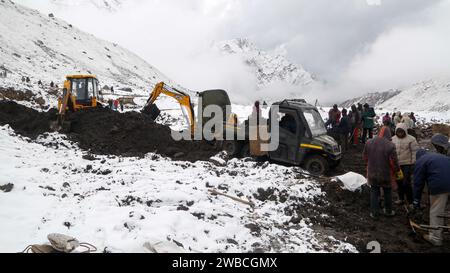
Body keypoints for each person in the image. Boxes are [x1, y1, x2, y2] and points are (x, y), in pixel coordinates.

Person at [413, 149, 450, 246]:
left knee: (436, 211)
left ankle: (435, 238)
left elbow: (418, 183)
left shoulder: (420, 161)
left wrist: (416, 200)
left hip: (440, 186)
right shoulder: (442, 157)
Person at [364, 126, 400, 219]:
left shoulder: (369, 142)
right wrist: (397, 170)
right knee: (387, 192)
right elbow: (393, 162)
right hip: (385, 174)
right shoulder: (390, 145)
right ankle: (388, 211)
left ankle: (374, 213)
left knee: (374, 192)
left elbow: (365, 157)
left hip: (372, 173)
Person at [392, 123, 419, 205]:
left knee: (406, 183)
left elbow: (415, 152)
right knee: (398, 182)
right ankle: (401, 198)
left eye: (401, 132)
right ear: (396, 131)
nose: (400, 134)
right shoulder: (393, 139)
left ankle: (410, 201)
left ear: (405, 131)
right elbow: (391, 152)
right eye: (398, 132)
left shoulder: (411, 139)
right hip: (397, 164)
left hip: (407, 164)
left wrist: (413, 163)